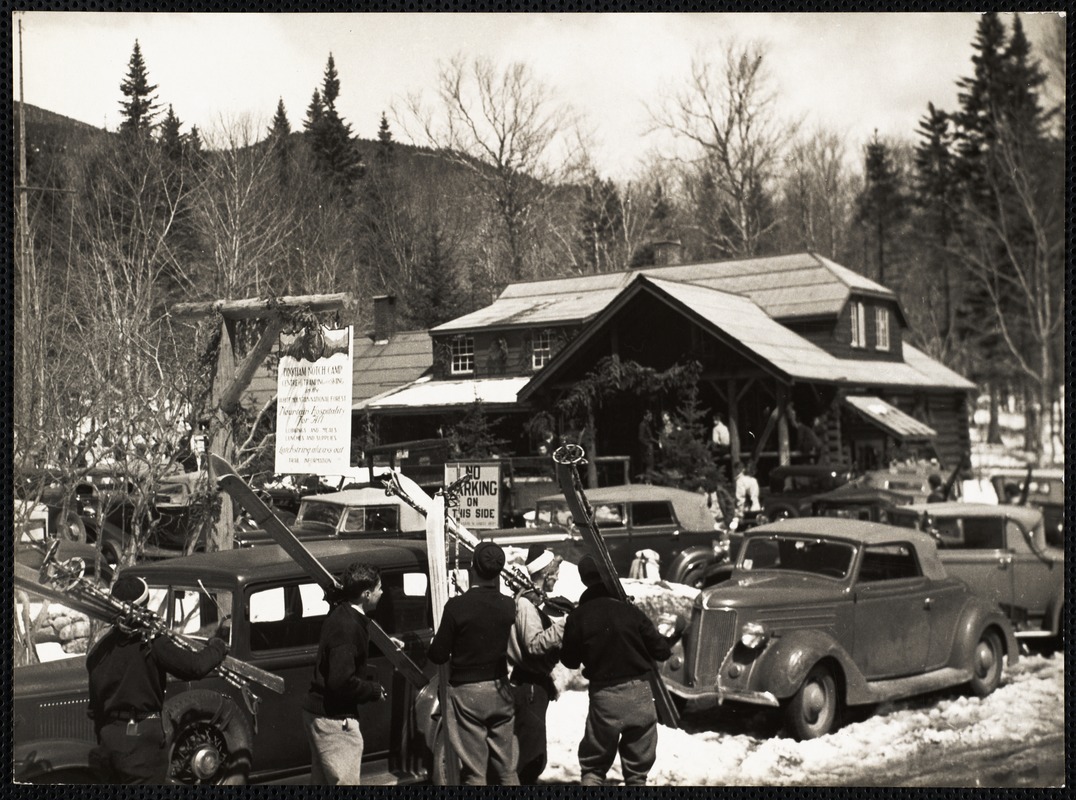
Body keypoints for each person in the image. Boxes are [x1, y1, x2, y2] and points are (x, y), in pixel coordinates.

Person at [86, 574, 229, 784]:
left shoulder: (100, 649)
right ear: (143, 606)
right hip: (141, 738)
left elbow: (94, 709)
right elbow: (195, 666)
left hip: (109, 740)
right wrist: (217, 647)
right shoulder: (151, 643)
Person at [559, 555, 673, 787]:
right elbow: (662, 650)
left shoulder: (578, 616)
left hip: (604, 698)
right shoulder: (630, 611)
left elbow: (569, 661)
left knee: (593, 768)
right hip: (639, 694)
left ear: (583, 580)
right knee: (637, 774)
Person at [427, 541, 519, 785]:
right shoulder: (509, 606)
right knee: (507, 770)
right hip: (500, 689)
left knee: (475, 773)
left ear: (473, 568)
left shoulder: (457, 607)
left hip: (467, 695)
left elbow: (438, 654)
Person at [302, 561, 386, 785]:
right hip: (335, 722)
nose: (382, 592)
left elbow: (347, 650)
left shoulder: (344, 614)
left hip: (319, 715)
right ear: (367, 594)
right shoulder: (348, 628)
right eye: (379, 589)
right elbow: (341, 682)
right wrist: (373, 691)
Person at [508, 545, 567, 784]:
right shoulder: (526, 606)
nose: (558, 577)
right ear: (546, 573)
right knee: (530, 759)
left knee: (530, 755)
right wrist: (563, 626)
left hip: (532, 687)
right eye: (556, 572)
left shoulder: (531, 603)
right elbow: (533, 646)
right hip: (528, 688)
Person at [732, 461, 761, 530]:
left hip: (746, 510)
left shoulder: (740, 481)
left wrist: (740, 513)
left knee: (740, 532)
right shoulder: (754, 480)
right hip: (756, 507)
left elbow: (741, 497)